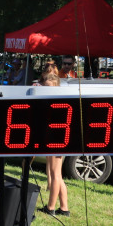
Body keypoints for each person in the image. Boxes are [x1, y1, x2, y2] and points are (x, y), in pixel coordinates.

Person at [40, 71, 70, 216]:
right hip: (52, 137)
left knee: (55, 173)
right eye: (44, 87)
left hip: (57, 139)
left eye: (49, 87)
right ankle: (64, 208)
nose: (47, 90)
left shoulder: (58, 101)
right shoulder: (48, 100)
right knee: (57, 174)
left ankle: (50, 207)